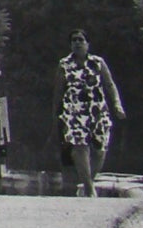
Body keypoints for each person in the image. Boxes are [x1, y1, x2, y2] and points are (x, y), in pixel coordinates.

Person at [52, 29, 126, 199]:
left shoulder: (98, 63)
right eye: (74, 40)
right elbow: (58, 91)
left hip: (97, 111)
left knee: (100, 149)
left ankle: (87, 183)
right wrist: (56, 114)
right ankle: (90, 190)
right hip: (74, 112)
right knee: (80, 147)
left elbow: (110, 85)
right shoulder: (64, 64)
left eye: (81, 40)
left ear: (87, 44)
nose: (77, 43)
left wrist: (117, 104)